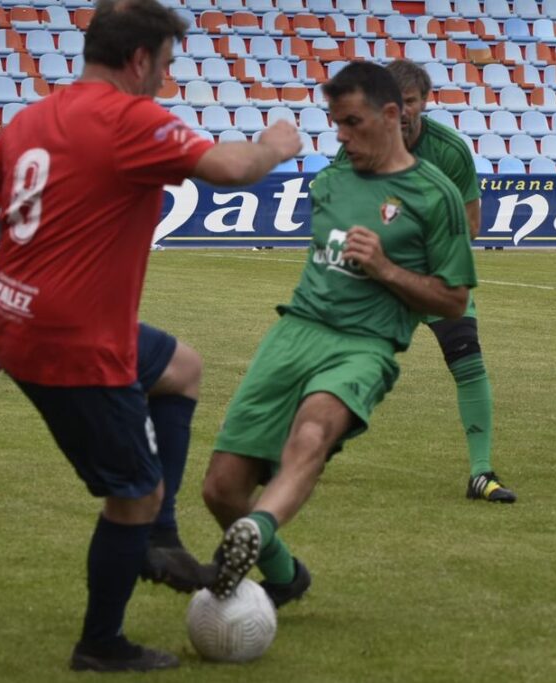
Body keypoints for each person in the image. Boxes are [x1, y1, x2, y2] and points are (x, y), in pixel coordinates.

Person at [0, 0, 301, 673]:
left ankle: (159, 536)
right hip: (74, 342)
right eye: (166, 66)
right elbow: (228, 169)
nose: (165, 80)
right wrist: (276, 147)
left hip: (27, 322)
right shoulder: (128, 118)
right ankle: (101, 640)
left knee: (183, 368)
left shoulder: (35, 115)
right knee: (131, 494)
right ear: (140, 59)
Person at [200, 62, 477, 606]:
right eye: (336, 124)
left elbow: (454, 299)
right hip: (295, 332)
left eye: (352, 123)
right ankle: (282, 573)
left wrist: (388, 270)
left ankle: (255, 532)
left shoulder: (435, 195)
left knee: (311, 436)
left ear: (392, 114)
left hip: (364, 345)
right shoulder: (329, 181)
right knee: (221, 488)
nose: (341, 135)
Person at [386, 58, 514, 503]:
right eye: (392, 102)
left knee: (468, 360)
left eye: (409, 102)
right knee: (339, 367)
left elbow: (472, 224)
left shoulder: (450, 149)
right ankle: (305, 451)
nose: (401, 112)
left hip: (438, 275)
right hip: (379, 278)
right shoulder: (360, 144)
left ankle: (481, 472)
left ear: (423, 103)